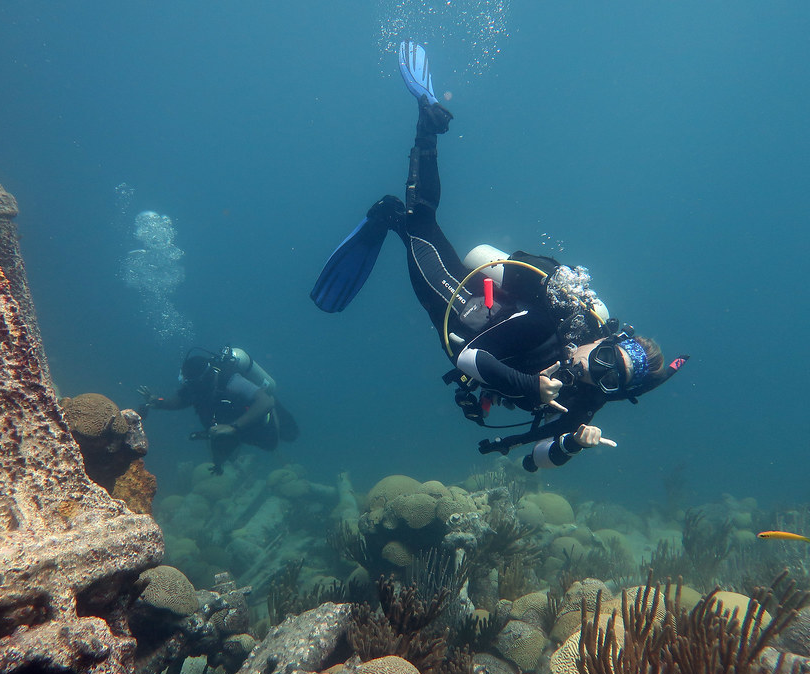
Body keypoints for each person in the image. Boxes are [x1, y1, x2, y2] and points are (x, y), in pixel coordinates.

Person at [311, 42, 687, 472]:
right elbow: (469, 358)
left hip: (482, 333)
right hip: (462, 308)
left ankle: (393, 215)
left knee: (417, 224)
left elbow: (533, 463)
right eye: (603, 359)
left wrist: (575, 445)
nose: (592, 373)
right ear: (606, 338)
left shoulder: (588, 394)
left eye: (609, 379)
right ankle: (425, 127)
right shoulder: (554, 323)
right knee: (420, 224)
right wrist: (531, 384)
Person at [138, 346, 299, 474]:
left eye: (193, 384)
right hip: (234, 422)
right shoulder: (193, 386)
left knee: (287, 436)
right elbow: (177, 402)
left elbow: (266, 401)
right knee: (218, 437)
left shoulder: (230, 381)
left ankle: (274, 426)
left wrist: (233, 427)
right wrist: (157, 401)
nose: (190, 388)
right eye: (188, 383)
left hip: (257, 415)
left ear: (205, 378)